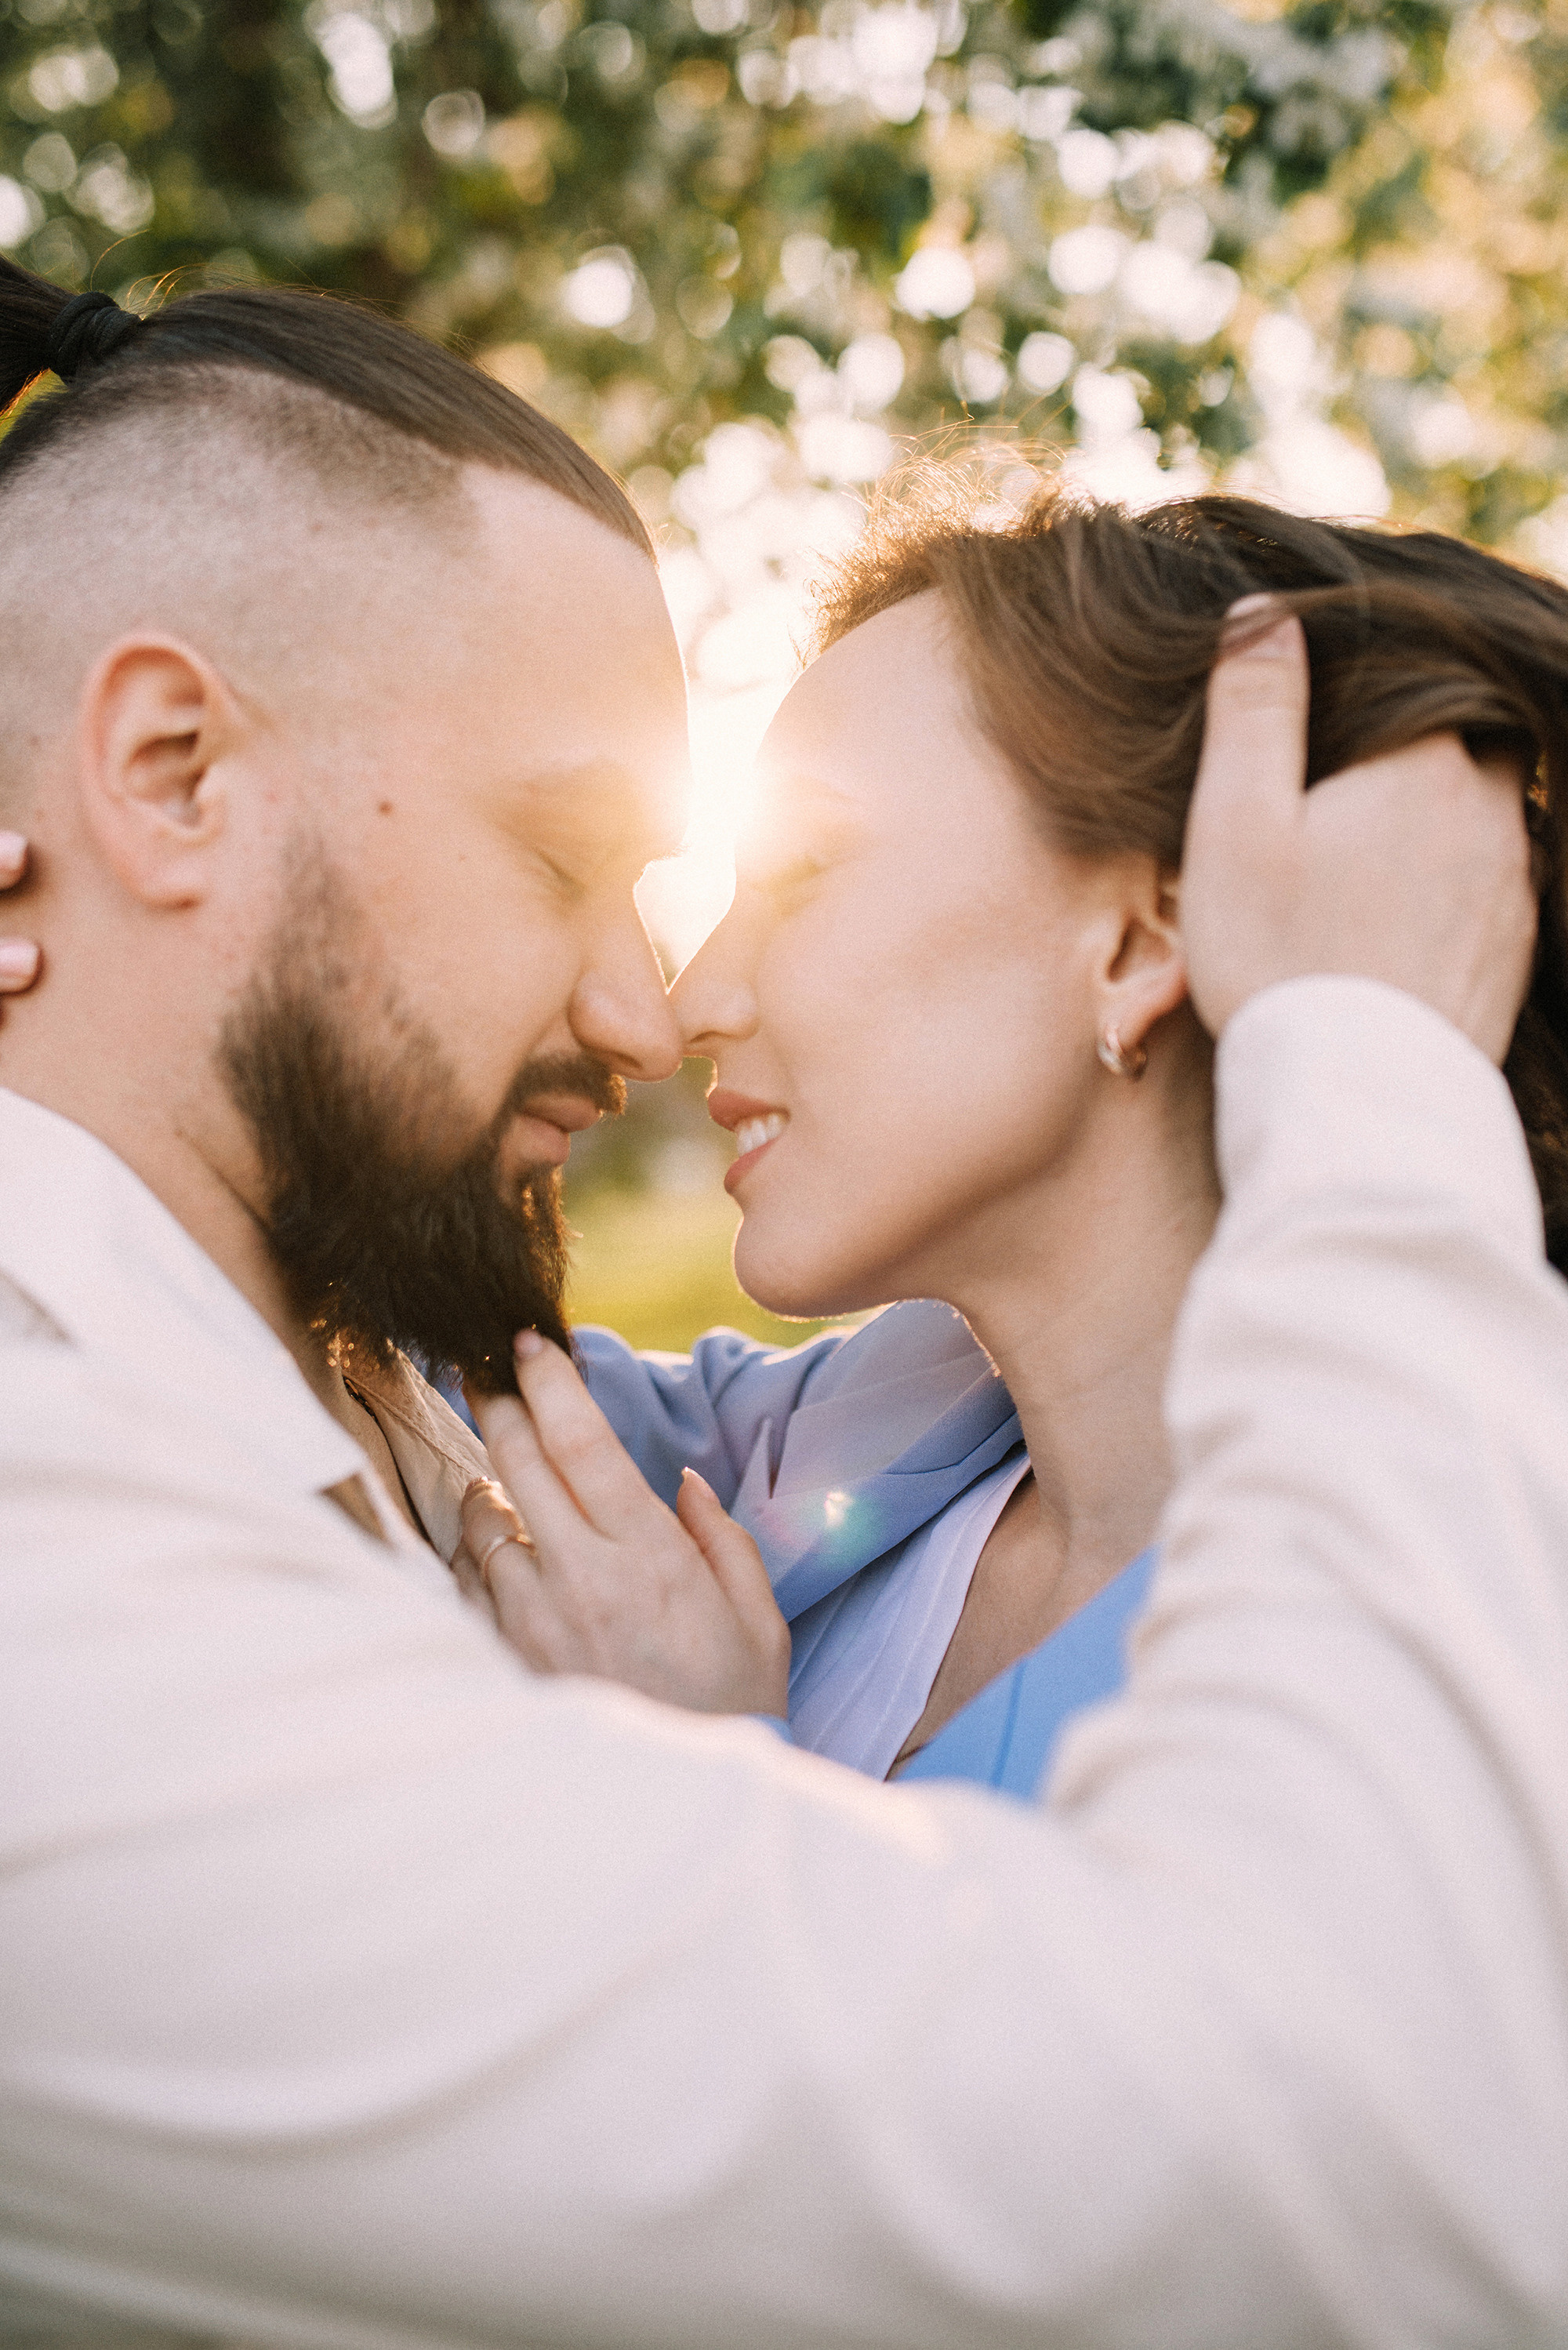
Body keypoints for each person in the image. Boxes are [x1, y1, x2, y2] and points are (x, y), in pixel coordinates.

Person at [2, 253, 1566, 2348]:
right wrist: (1371, 1072)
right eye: (572, 859)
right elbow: (1310, 2132)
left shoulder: (792, 1437)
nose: (667, 1001)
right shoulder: (95, 1620)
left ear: (1148, 941)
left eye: (797, 870)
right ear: (167, 769)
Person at [456, 481, 1568, 1796]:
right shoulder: (898, 1419)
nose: (695, 1000)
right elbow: (424, 1346)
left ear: (1147, 934)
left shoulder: (1443, 1635)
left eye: (805, 872)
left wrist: (696, 1784)